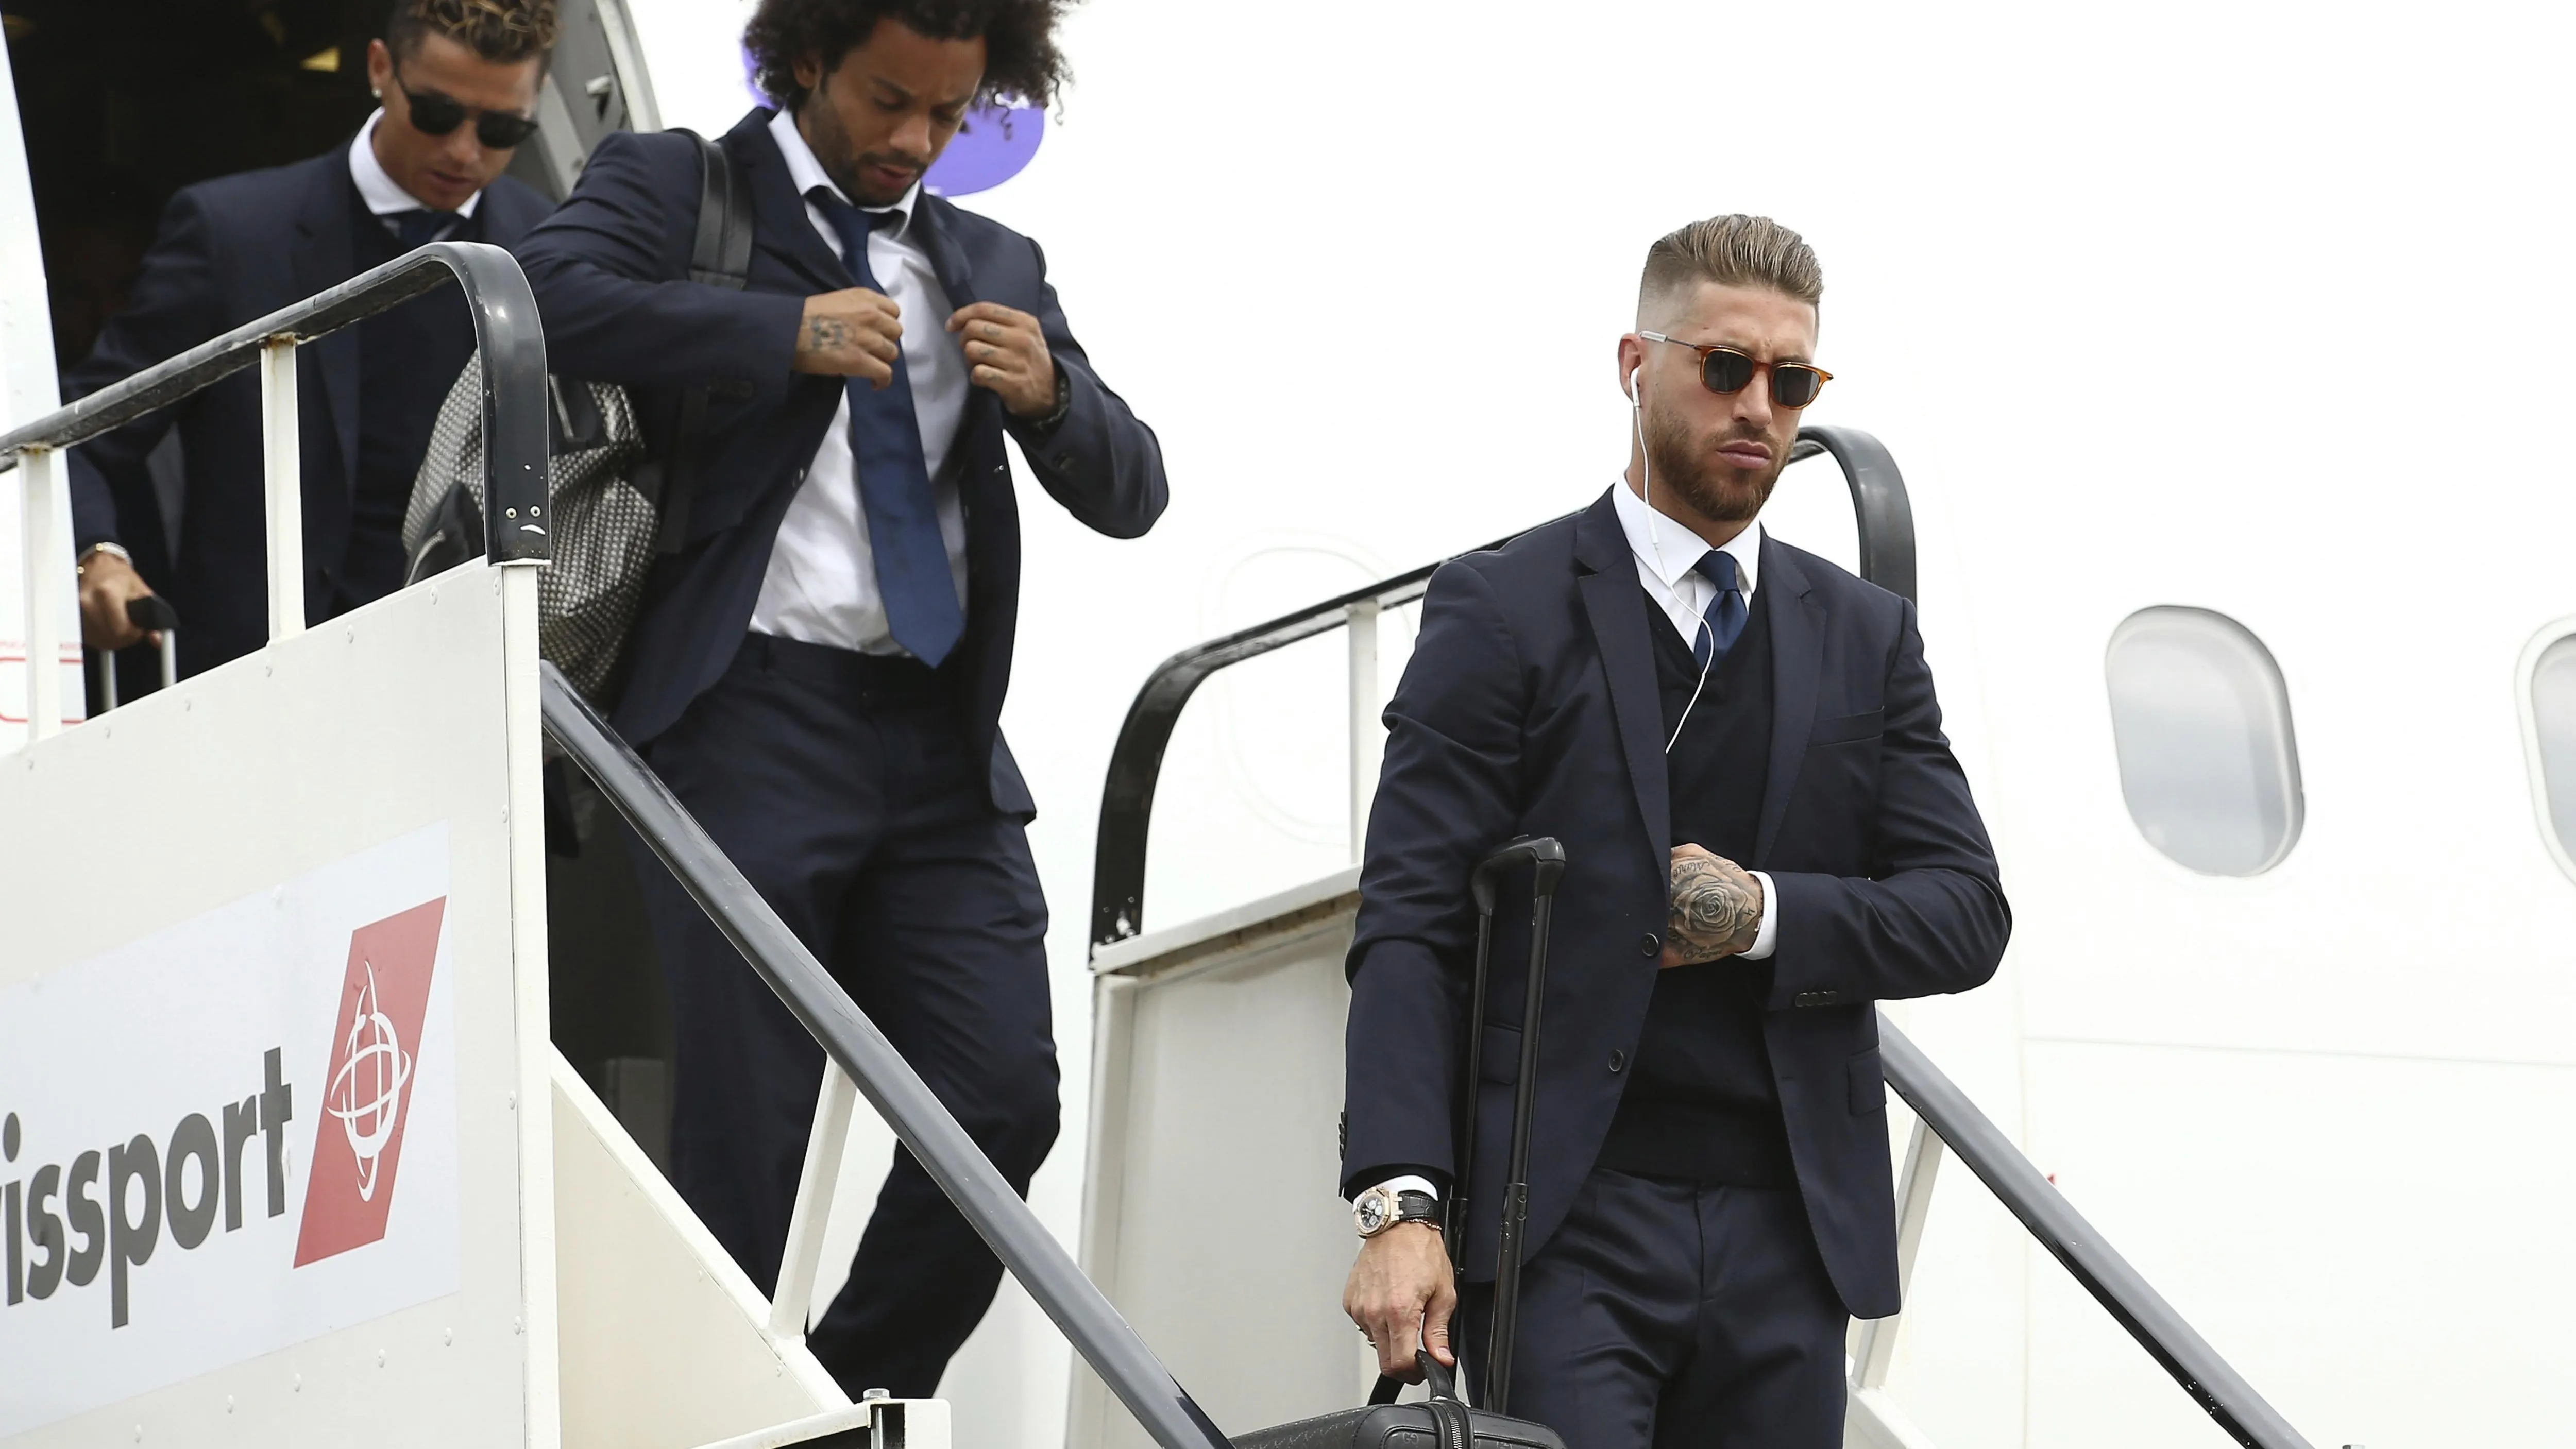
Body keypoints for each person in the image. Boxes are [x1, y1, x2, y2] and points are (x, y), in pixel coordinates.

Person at [514, 0, 1166, 1399]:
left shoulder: (994, 257)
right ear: (805, 59)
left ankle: (833, 1390)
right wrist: (778, 332)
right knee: (746, 1131)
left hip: (937, 744)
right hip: (747, 710)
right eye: (887, 101)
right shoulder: (683, 183)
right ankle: (719, 1411)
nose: (915, 140)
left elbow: (1135, 489)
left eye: (949, 113)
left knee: (1001, 1096)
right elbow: (543, 298)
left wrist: (1054, 397)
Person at [1338, 216, 2010, 1446]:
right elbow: (1412, 922)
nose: (1761, 404)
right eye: (1724, 367)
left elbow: (1965, 912)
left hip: (1790, 1229)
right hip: (1568, 1221)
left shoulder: (1863, 633)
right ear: (1634, 363)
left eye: (1792, 381)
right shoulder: (1501, 608)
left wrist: (1759, 914)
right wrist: (1400, 1205)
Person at [65, 0, 557, 689]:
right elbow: (82, 432)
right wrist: (98, 555)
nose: (465, 151)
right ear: (380, 68)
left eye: (503, 129)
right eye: (439, 114)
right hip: (257, 683)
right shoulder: (233, 233)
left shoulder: (547, 247)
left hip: (466, 680)